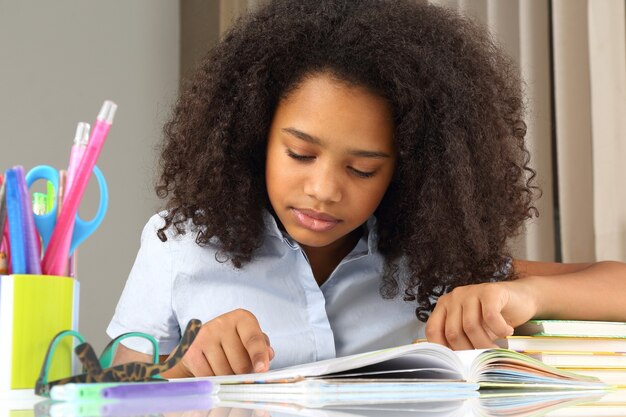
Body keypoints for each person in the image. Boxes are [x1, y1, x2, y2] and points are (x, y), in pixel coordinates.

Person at [107, 0, 626, 378]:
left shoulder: (433, 260)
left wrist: (524, 294)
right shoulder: (179, 245)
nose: (324, 189)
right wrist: (184, 368)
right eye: (300, 154)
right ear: (254, 135)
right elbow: (109, 395)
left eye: (362, 169)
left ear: (408, 169)